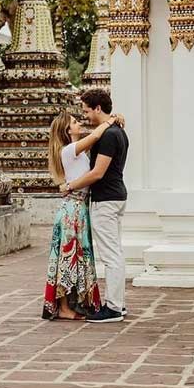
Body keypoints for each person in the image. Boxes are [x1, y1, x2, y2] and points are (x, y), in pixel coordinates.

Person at [43, 109, 123, 320]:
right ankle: (64, 307)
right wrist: (111, 120)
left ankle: (74, 303)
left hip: (79, 208)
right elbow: (95, 136)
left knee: (77, 257)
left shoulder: (76, 152)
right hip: (72, 209)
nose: (80, 123)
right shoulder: (69, 150)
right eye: (75, 122)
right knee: (67, 257)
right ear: (67, 130)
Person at [59, 89, 129, 324]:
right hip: (116, 196)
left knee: (111, 254)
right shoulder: (116, 130)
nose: (86, 116)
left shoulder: (109, 135)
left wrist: (71, 186)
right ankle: (119, 303)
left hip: (106, 199)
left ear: (98, 108)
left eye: (87, 111)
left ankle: (114, 307)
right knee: (116, 251)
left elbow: (97, 173)